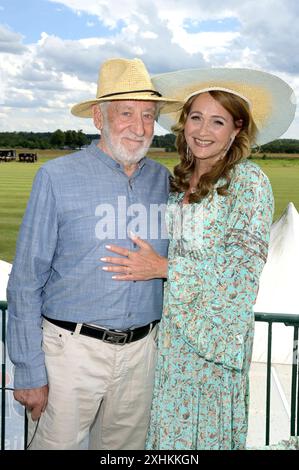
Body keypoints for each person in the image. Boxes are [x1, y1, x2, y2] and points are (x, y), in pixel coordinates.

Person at [101, 67, 296, 449]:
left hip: (214, 345)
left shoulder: (248, 181)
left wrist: (163, 268)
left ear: (236, 129)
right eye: (196, 117)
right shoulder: (177, 185)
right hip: (171, 340)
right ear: (184, 123)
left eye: (218, 121)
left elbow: (243, 267)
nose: (203, 131)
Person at [6, 57, 180, 450]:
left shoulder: (163, 181)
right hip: (70, 355)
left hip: (141, 356)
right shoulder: (56, 176)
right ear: (99, 118)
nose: (139, 128)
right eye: (126, 114)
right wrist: (29, 369)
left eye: (149, 116)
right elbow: (26, 279)